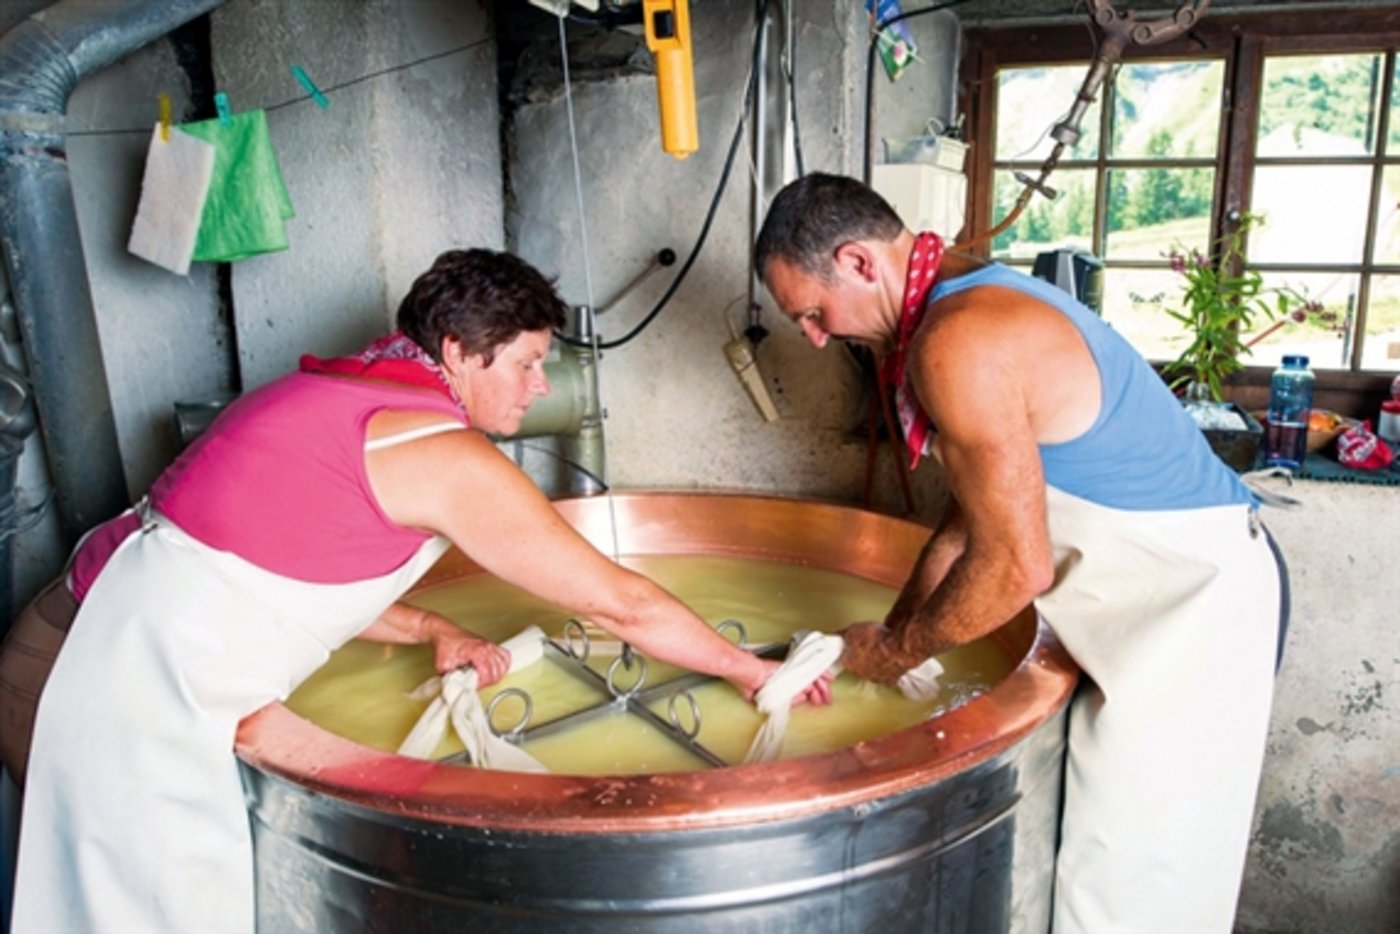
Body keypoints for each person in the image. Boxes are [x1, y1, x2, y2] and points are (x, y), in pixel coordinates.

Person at [7, 248, 829, 934]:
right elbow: (622, 603)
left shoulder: (344, 392)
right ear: (461, 352)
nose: (541, 386)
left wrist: (433, 624)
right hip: (132, 689)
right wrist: (748, 668)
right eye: (528, 362)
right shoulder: (442, 454)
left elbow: (278, 571)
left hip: (84, 631)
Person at [755, 173, 1285, 932]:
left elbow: (1014, 567)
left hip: (1191, 608)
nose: (813, 334)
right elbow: (967, 524)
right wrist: (881, 641)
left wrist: (899, 653)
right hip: (1138, 604)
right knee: (1102, 869)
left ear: (860, 263)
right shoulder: (959, 298)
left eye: (811, 311)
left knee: (1141, 889)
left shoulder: (956, 340)